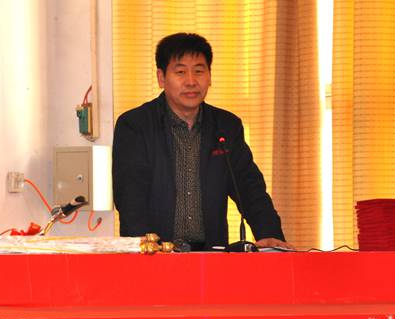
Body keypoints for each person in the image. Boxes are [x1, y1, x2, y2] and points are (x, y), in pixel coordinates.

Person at [112, 32, 290, 251]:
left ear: (210, 76)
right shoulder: (135, 125)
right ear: (161, 78)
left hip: (211, 256)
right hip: (156, 255)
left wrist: (270, 236)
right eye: (180, 72)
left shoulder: (226, 126)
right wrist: (146, 252)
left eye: (199, 71)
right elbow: (131, 201)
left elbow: (249, 188)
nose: (191, 81)